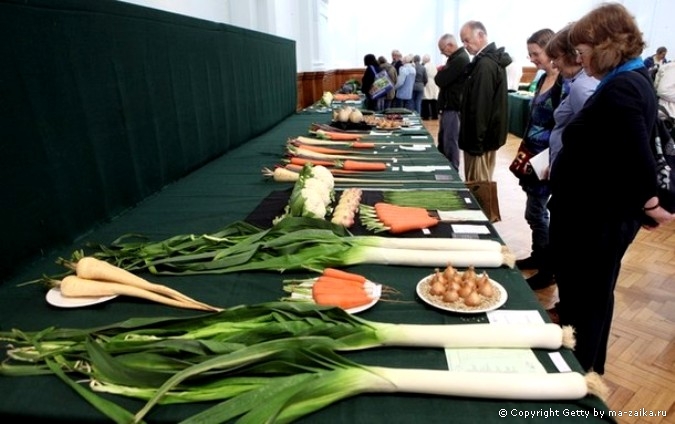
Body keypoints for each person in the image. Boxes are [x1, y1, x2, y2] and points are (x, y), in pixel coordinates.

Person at [549, 3, 675, 374]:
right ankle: (581, 367)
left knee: (588, 298)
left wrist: (651, 202)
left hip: (595, 218)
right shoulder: (630, 79)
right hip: (597, 214)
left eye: (583, 51)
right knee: (590, 296)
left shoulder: (621, 87)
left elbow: (637, 153)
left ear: (604, 45)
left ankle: (579, 375)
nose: (579, 58)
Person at [511, 29, 562, 290]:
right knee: (535, 211)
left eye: (536, 53)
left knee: (537, 212)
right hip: (533, 154)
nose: (532, 58)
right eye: (529, 54)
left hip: (547, 159)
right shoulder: (543, 77)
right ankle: (538, 254)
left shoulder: (564, 82)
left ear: (551, 50)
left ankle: (547, 268)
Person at [458, 21, 512, 181]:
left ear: (480, 35)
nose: (465, 45)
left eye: (466, 40)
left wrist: (476, 145)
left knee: (478, 187)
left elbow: (480, 107)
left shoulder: (485, 64)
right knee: (481, 183)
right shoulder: (488, 61)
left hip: (479, 143)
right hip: (482, 140)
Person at [435, 33, 470, 169]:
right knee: (444, 140)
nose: (443, 53)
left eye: (443, 50)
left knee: (450, 141)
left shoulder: (460, 59)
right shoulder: (456, 58)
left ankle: (452, 171)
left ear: (450, 45)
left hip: (453, 107)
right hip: (449, 106)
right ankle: (445, 168)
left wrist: (442, 72)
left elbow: (440, 80)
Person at [421, 54, 439, 120]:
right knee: (434, 100)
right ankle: (435, 116)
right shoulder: (434, 65)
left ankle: (426, 116)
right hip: (434, 83)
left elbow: (424, 76)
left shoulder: (425, 66)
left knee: (426, 100)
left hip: (427, 83)